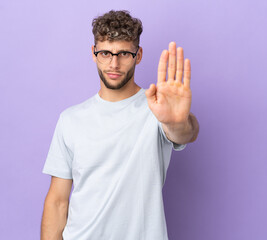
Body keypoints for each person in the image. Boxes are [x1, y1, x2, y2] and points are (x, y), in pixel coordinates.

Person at [40, 10, 199, 240]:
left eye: (124, 53)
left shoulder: (156, 108)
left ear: (138, 54)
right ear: (93, 54)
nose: (113, 63)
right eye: (105, 53)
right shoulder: (70, 120)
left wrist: (178, 121)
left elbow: (186, 133)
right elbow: (57, 201)